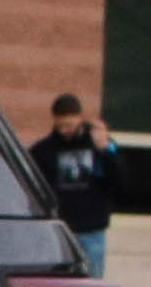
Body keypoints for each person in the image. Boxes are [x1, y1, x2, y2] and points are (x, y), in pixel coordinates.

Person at [30, 93, 114, 274]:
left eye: (69, 125)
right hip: (60, 230)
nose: (65, 130)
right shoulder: (43, 151)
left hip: (92, 230)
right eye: (61, 125)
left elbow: (118, 180)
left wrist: (105, 150)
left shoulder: (97, 145)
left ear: (79, 118)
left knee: (91, 284)